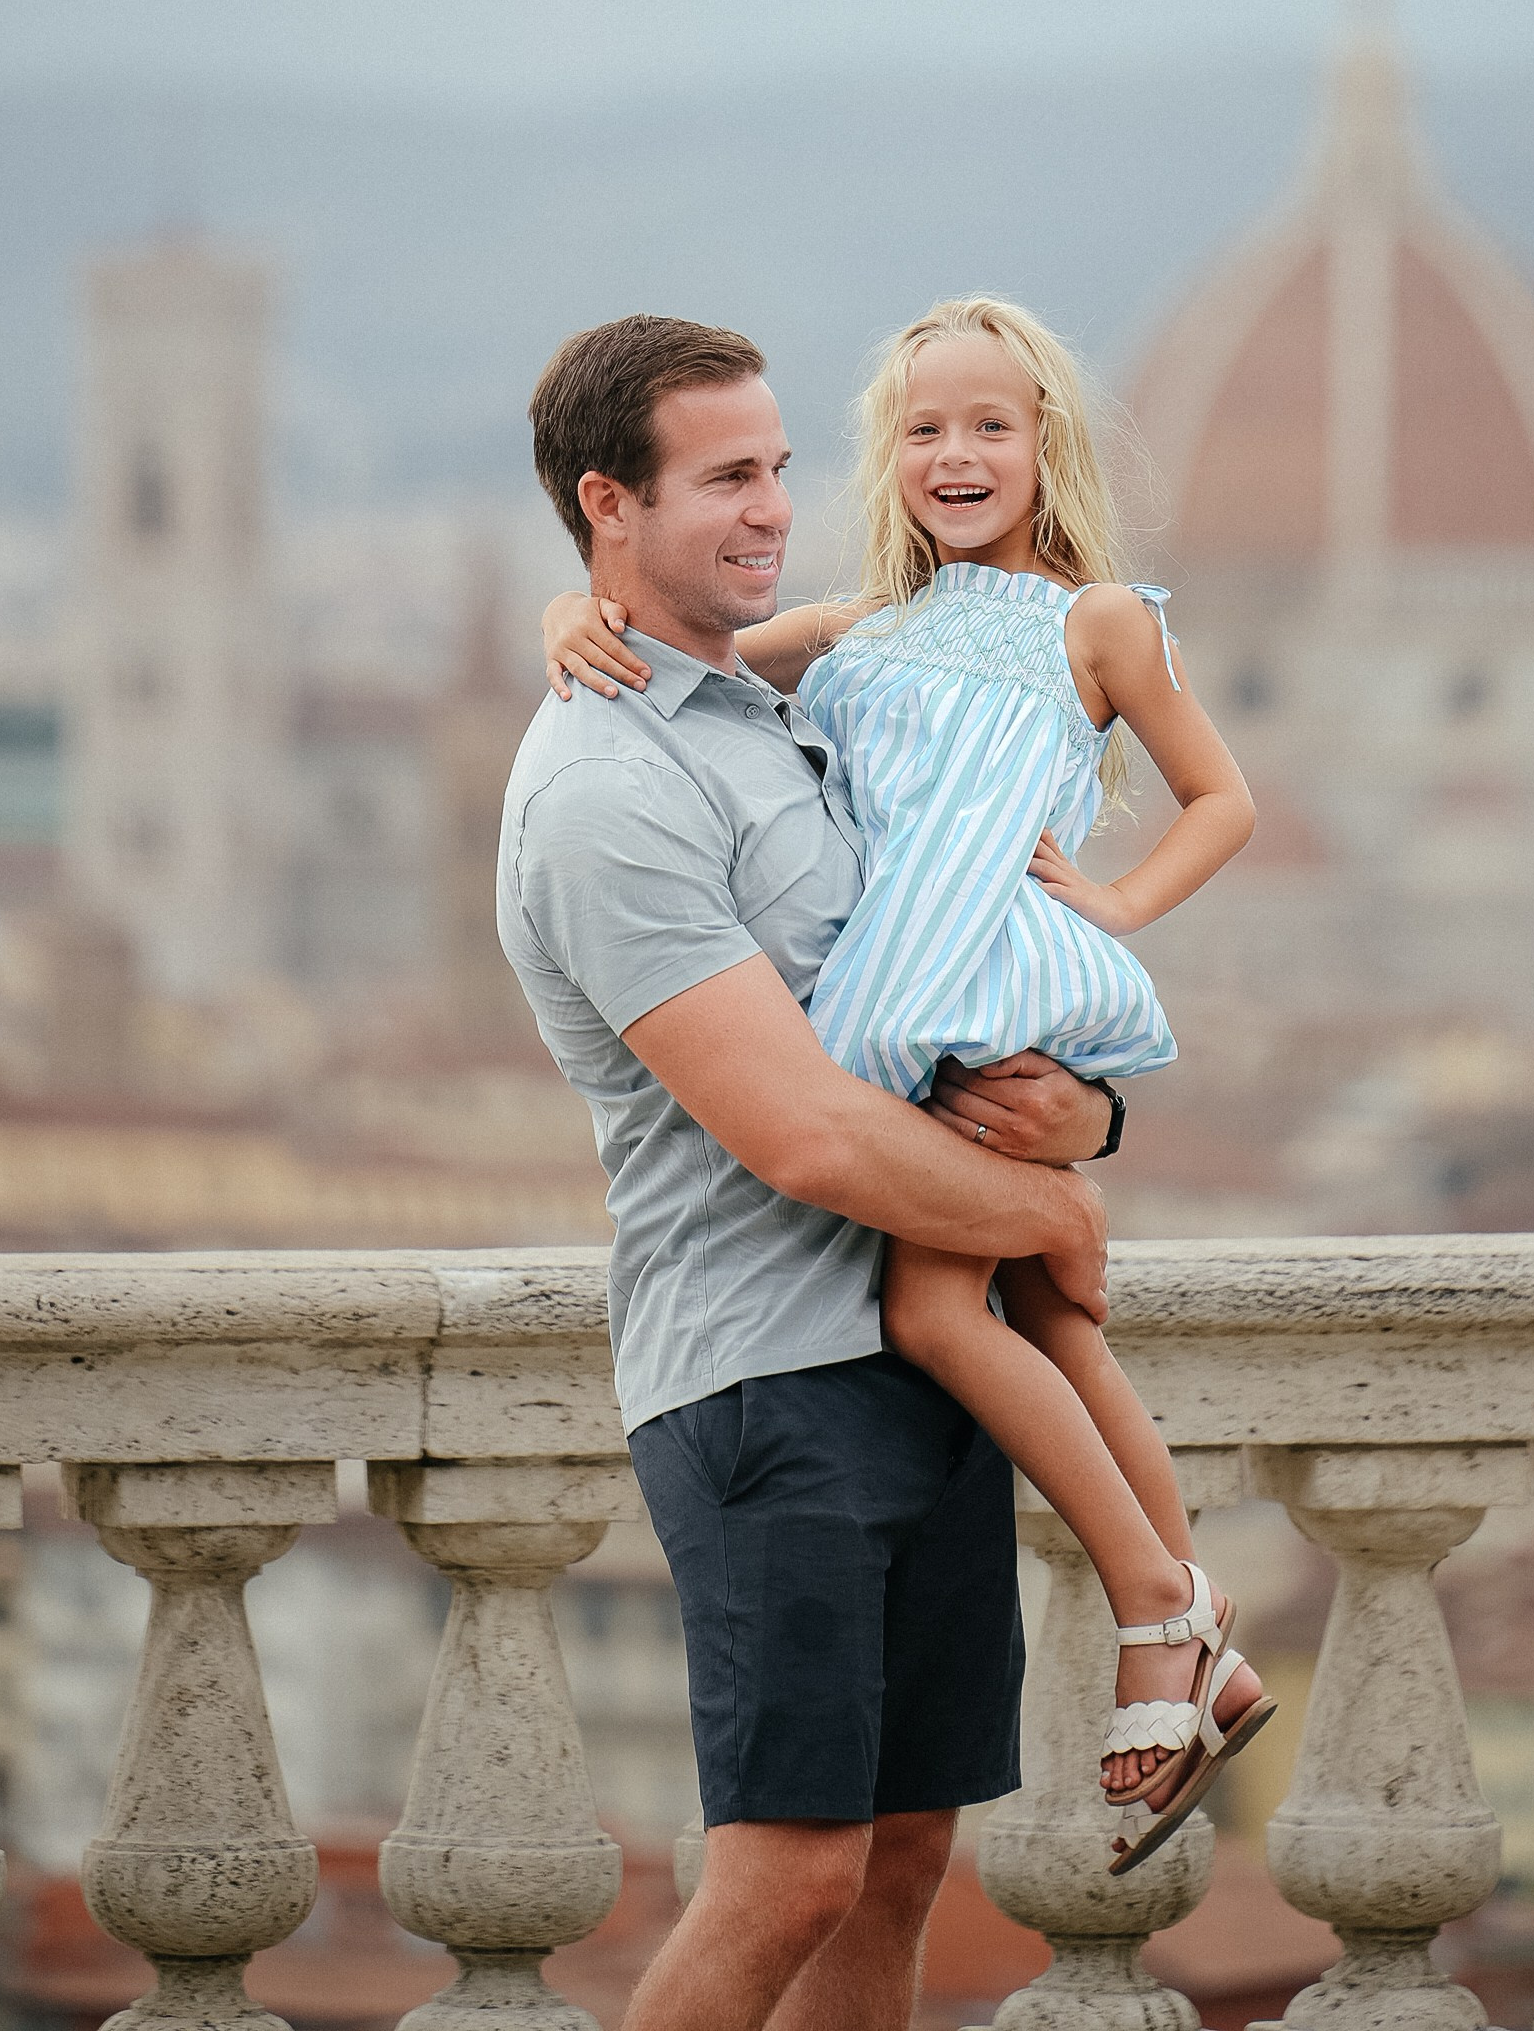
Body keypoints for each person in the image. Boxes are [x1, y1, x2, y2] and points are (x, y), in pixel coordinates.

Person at [543, 293, 1274, 1881]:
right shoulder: (866, 625)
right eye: (925, 429)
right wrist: (567, 616)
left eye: (992, 426)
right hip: (907, 1021)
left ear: (1047, 446)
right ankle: (1188, 1612)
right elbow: (693, 642)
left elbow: (1221, 796)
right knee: (1051, 1318)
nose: (958, 454)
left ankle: (1168, 1618)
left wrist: (1121, 912)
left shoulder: (1098, 622)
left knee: (948, 1315)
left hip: (984, 988)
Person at [500, 311, 1123, 2031]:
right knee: (786, 1874)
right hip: (767, 1381)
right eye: (726, 479)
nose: (776, 507)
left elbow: (951, 982)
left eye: (780, 466)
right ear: (606, 499)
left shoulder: (768, 697)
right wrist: (1059, 1214)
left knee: (907, 1854)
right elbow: (804, 1133)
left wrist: (1089, 1120)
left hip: (921, 1353)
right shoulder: (603, 787)